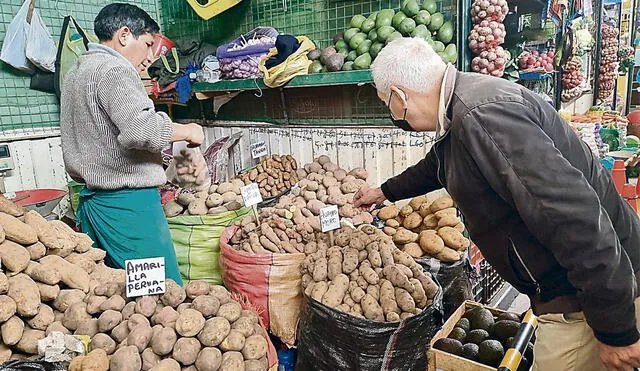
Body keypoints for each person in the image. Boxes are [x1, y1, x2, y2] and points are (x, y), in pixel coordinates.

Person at [353, 37, 640, 371]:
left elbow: (575, 219)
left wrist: (615, 330)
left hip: (583, 301)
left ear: (400, 96)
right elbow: (438, 164)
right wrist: (384, 191)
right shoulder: (463, 106)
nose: (393, 115)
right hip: (578, 289)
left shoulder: (483, 116)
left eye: (387, 104)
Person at [60, 3, 205, 286]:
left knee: (118, 294)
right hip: (128, 207)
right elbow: (140, 129)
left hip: (95, 204)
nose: (151, 56)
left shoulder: (78, 71)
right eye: (149, 44)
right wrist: (187, 130)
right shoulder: (114, 68)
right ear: (124, 35)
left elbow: (106, 137)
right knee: (163, 291)